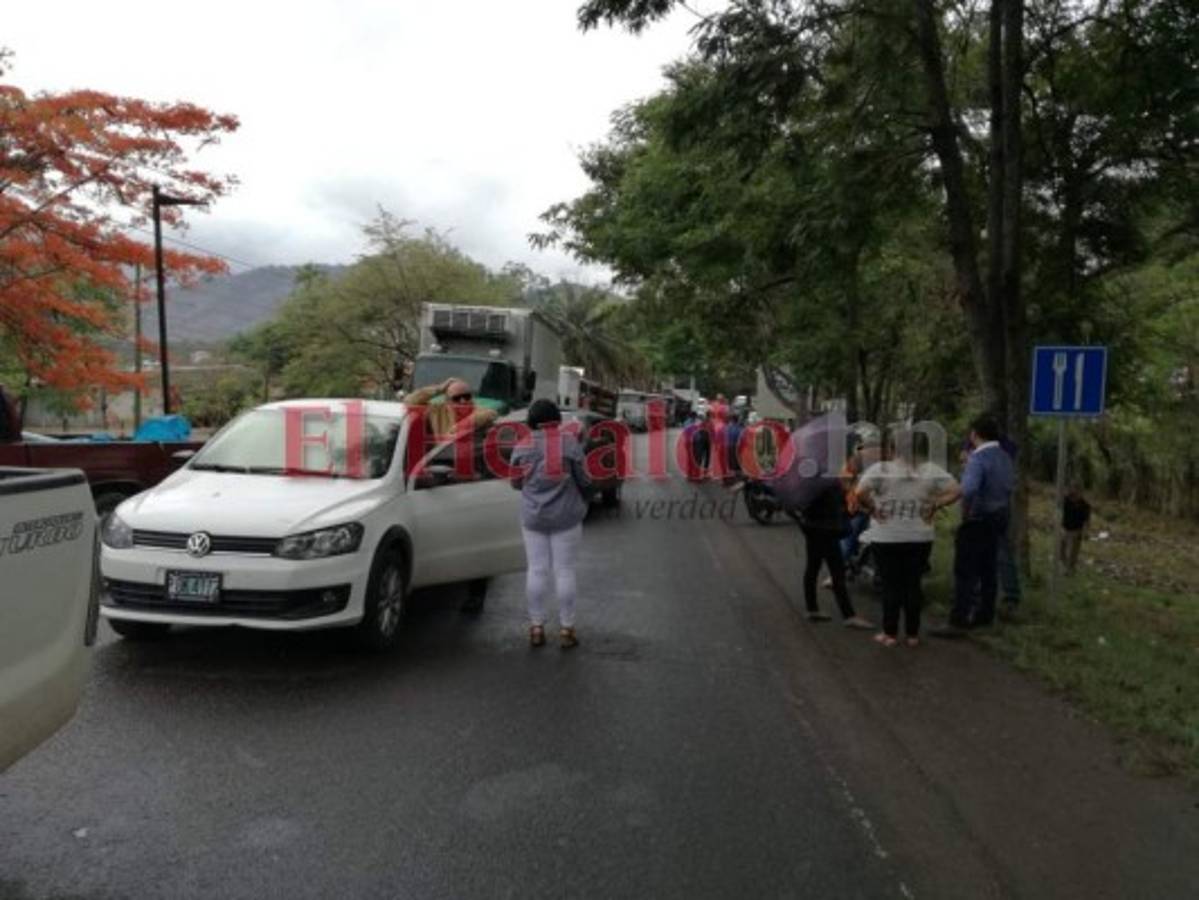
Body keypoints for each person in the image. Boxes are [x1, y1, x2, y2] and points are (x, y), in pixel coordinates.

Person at [855, 431, 958, 647]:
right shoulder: (931, 470)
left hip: (886, 536)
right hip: (920, 537)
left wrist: (873, 508)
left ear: (892, 449)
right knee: (913, 584)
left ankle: (889, 634)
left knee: (891, 585)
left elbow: (859, 492)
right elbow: (956, 490)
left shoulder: (880, 470)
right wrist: (935, 504)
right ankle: (912, 635)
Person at [511, 398, 591, 649]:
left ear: (532, 421)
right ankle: (567, 629)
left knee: (536, 570)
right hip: (566, 517)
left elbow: (515, 483)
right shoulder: (570, 444)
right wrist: (585, 500)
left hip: (534, 517)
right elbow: (584, 481)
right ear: (557, 419)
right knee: (564, 570)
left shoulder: (522, 446)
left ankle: (536, 628)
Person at [933, 414, 1014, 637]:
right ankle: (985, 616)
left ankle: (958, 620)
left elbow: (968, 489)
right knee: (989, 570)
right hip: (999, 519)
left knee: (966, 571)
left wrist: (941, 502)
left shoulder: (978, 459)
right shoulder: (1005, 457)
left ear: (974, 434)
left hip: (978, 520)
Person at [797, 473, 875, 630]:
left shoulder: (808, 479)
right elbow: (839, 507)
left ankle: (812, 609)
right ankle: (849, 616)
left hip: (811, 527)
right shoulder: (829, 482)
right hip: (827, 530)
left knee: (812, 567)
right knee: (837, 571)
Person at [401, 377, 498, 444]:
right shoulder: (437, 410)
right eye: (457, 398)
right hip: (442, 459)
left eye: (466, 396)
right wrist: (439, 389)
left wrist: (463, 425)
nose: (463, 401)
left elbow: (491, 414)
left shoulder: (478, 410)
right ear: (447, 401)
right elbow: (409, 401)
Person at [1060, 483, 1091, 575]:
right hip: (1065, 529)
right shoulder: (1065, 500)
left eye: (1078, 491)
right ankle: (1065, 565)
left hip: (1076, 531)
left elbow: (1087, 520)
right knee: (1061, 549)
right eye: (1074, 490)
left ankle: (1070, 569)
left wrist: (1085, 532)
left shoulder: (1085, 505)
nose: (1076, 493)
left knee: (1073, 552)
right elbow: (1058, 510)